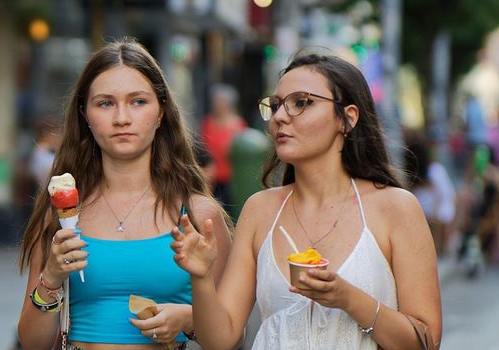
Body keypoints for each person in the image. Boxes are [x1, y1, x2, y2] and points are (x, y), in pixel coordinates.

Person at [171, 53, 442, 349]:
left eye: (301, 102)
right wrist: (201, 277)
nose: (280, 117)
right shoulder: (260, 209)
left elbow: (426, 342)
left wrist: (349, 299)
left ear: (347, 118)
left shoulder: (395, 207)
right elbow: (221, 340)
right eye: (276, 105)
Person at [16, 38, 233, 350]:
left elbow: (229, 336)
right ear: (85, 115)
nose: (121, 118)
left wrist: (188, 318)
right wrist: (50, 279)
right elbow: (33, 343)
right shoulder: (59, 216)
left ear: (161, 112)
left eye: (138, 101)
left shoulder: (199, 215)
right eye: (105, 103)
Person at [200, 84, 247, 212]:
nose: (217, 104)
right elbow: (202, 149)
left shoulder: (238, 124)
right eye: (215, 100)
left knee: (230, 208)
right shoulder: (207, 122)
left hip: (230, 177)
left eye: (221, 101)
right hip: (211, 177)